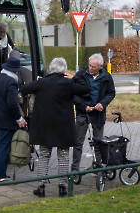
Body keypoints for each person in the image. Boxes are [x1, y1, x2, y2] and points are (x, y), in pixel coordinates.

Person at [21, 57, 90, 197]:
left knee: (44, 156)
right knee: (63, 157)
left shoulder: (42, 82)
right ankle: (63, 187)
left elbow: (24, 88)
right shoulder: (68, 83)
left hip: (44, 127)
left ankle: (41, 186)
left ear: (51, 69)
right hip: (63, 128)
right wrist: (75, 78)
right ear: (64, 70)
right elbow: (86, 88)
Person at [0, 57, 27, 182]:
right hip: (5, 120)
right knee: (3, 147)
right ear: (16, 72)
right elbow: (12, 104)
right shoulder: (11, 82)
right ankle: (1, 175)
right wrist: (19, 119)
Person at [71, 53, 116, 172]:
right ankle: (75, 169)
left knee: (98, 142)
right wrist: (83, 106)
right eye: (90, 65)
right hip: (83, 113)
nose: (90, 68)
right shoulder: (81, 75)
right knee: (78, 143)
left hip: (98, 114)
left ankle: (98, 167)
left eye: (94, 67)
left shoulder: (106, 77)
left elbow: (111, 93)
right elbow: (73, 93)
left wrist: (103, 104)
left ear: (100, 66)